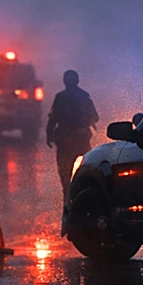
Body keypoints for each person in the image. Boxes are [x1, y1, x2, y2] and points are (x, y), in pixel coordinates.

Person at [46, 69, 99, 197]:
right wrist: (84, 125)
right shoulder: (84, 96)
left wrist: (49, 135)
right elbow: (95, 117)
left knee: (65, 173)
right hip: (81, 140)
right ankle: (83, 196)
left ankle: (69, 199)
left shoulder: (60, 97)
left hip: (65, 142)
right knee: (85, 169)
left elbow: (53, 118)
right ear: (78, 81)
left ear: (64, 81)